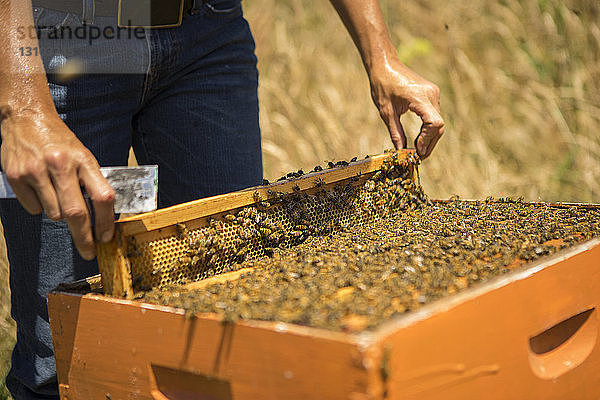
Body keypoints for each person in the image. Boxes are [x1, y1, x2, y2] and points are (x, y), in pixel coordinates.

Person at [0, 0, 444, 398]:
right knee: (62, 356)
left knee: (231, 326)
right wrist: (22, 106)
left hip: (207, 36)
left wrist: (380, 53)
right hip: (60, 41)